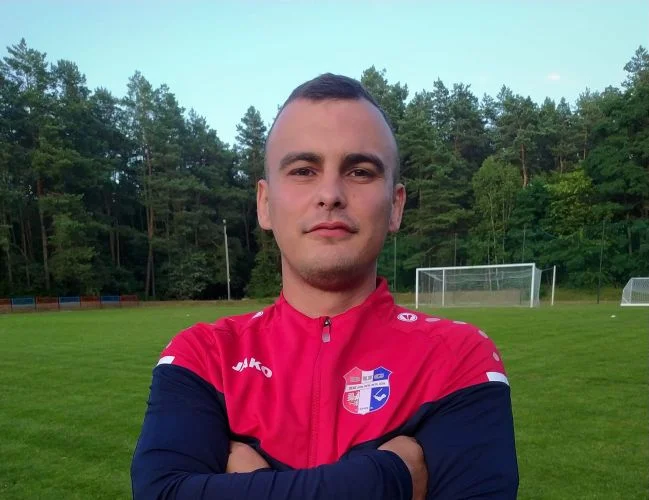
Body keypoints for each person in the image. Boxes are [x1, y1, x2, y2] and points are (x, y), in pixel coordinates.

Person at [131, 74, 519, 500]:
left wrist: (246, 482)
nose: (330, 194)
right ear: (264, 203)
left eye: (360, 171)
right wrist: (390, 475)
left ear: (396, 206)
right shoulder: (205, 357)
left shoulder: (457, 359)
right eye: (303, 171)